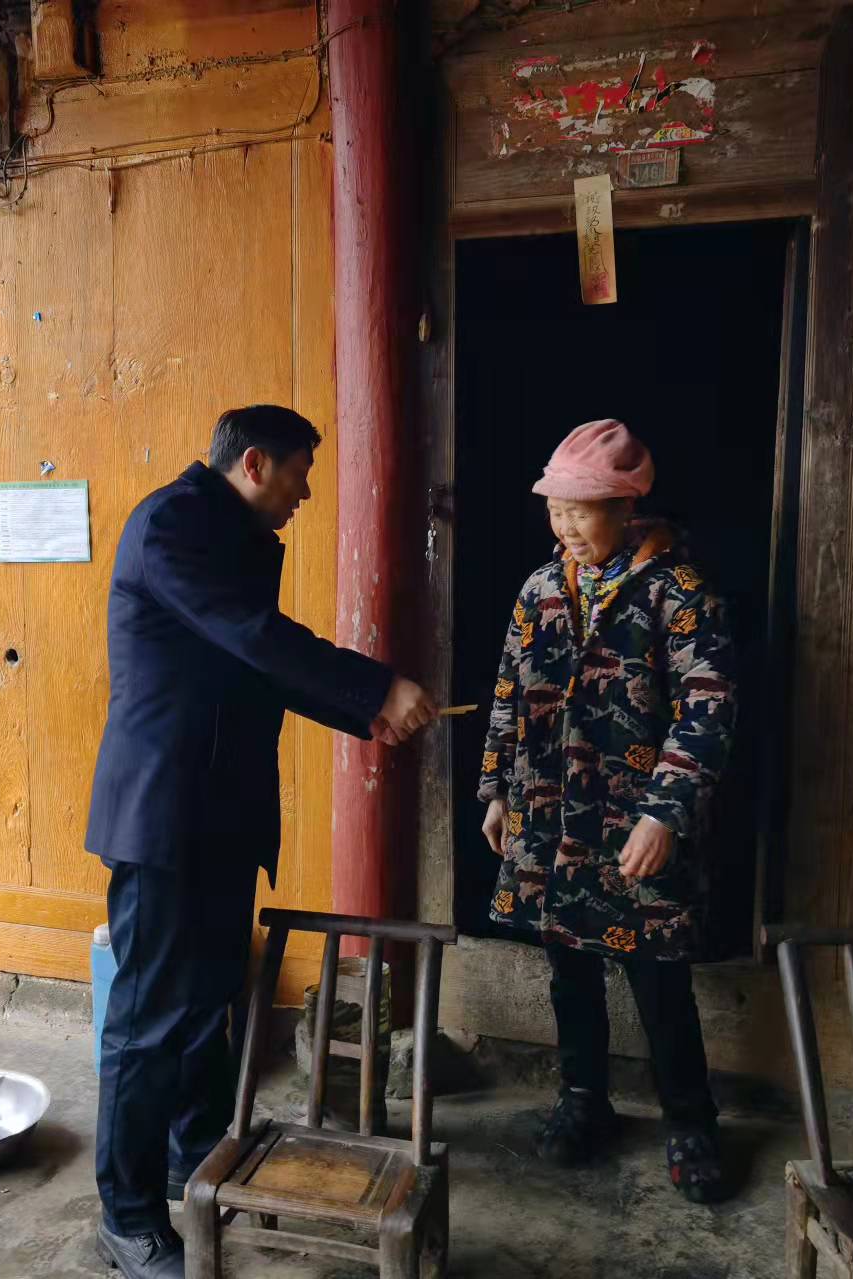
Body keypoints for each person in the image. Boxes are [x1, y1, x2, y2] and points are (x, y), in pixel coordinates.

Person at [86, 404, 437, 1279]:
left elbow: (256, 666)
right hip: (165, 814)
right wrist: (374, 687)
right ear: (253, 463)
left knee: (208, 1000)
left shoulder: (228, 536)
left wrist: (367, 713)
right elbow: (256, 637)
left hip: (219, 812)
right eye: (298, 474)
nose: (304, 494)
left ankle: (193, 1155)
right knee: (149, 1020)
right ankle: (126, 1215)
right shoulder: (171, 525)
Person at [477, 418, 738, 1203]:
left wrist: (666, 813)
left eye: (580, 510)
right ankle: (583, 1098)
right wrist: (496, 789)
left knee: (660, 981)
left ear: (627, 507)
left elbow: (708, 708)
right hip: (550, 821)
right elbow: (507, 692)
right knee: (568, 970)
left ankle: (691, 1122)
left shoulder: (679, 592)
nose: (564, 525)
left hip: (636, 825)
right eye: (555, 509)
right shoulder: (539, 589)